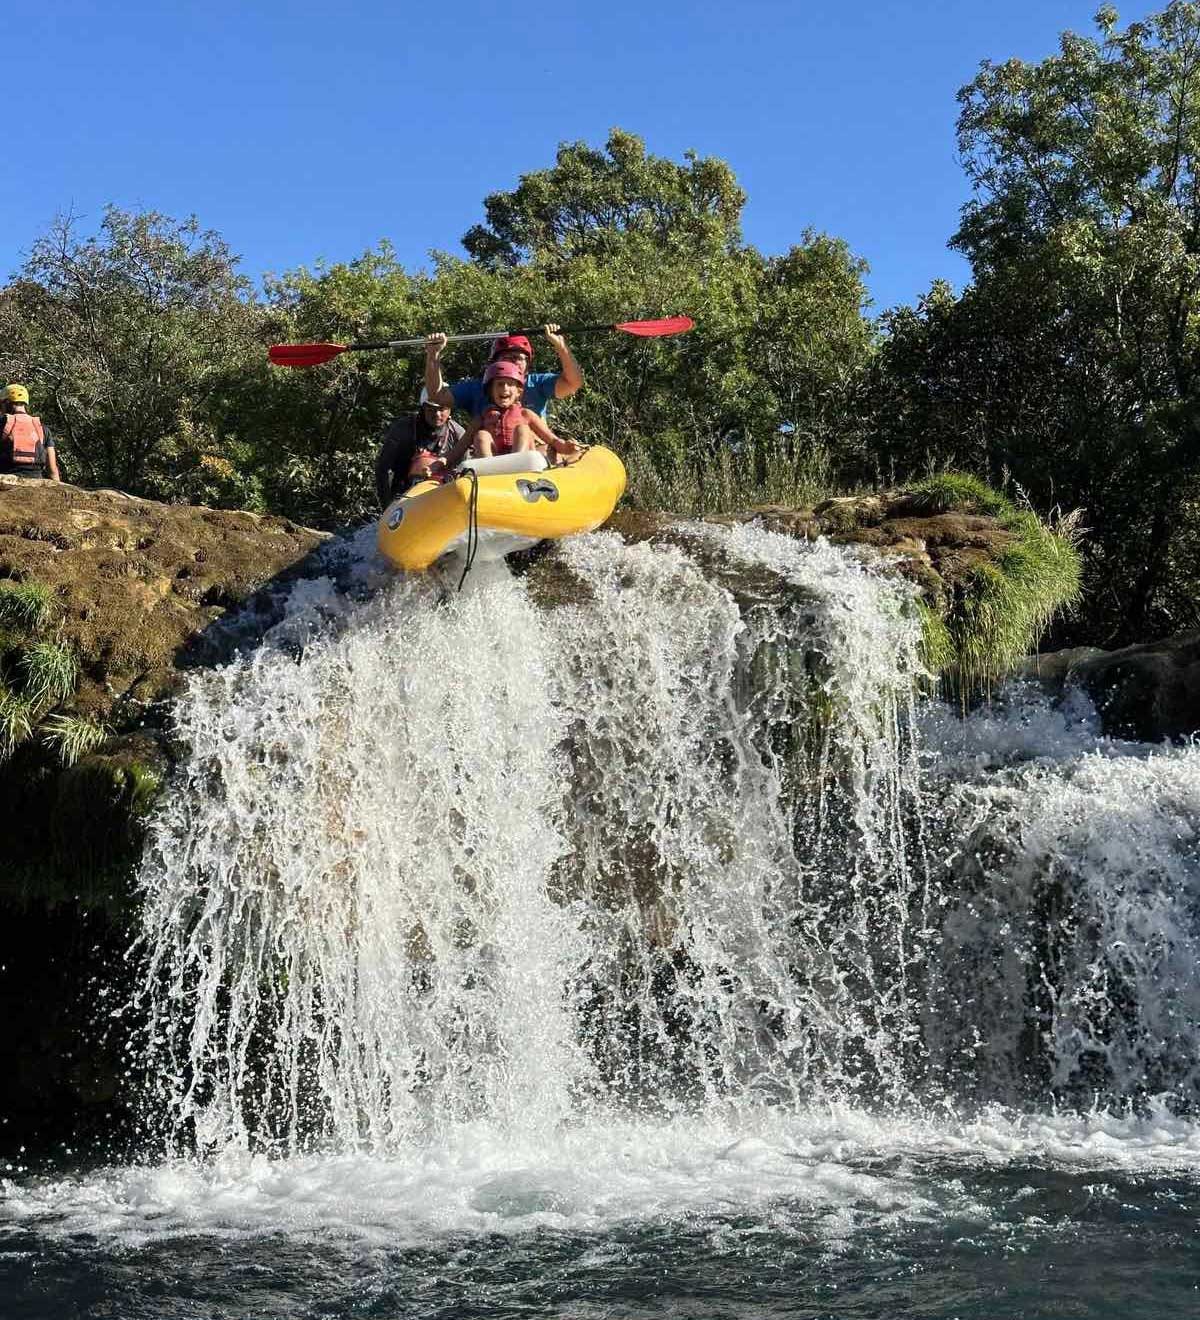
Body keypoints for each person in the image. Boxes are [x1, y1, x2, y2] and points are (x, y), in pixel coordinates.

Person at [423, 323, 583, 422]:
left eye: (518, 358)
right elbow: (437, 397)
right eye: (507, 357)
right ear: (493, 363)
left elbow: (573, 383)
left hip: (533, 459)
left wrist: (561, 347)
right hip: (492, 463)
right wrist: (433, 355)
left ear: (528, 364)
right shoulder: (476, 388)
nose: (512, 362)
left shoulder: (538, 383)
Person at [453, 360, 579, 461]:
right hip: (495, 463)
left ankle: (516, 465)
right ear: (490, 391)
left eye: (510, 384)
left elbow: (552, 439)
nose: (505, 388)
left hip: (524, 462)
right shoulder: (482, 417)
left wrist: (565, 447)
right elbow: (460, 448)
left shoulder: (526, 414)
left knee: (522, 429)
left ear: (519, 391)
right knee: (482, 435)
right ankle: (489, 473)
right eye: (500, 384)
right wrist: (442, 462)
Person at [374, 387, 465, 508]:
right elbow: (382, 469)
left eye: (442, 409)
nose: (437, 414)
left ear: (450, 410)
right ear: (423, 408)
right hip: (403, 498)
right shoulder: (403, 429)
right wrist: (387, 507)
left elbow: (467, 470)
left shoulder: (458, 433)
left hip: (442, 498)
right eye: (431, 409)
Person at [1, 384, 61, 482]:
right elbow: (53, 470)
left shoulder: (2, 424)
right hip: (36, 480)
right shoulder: (42, 428)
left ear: (6, 402)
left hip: (6, 480)